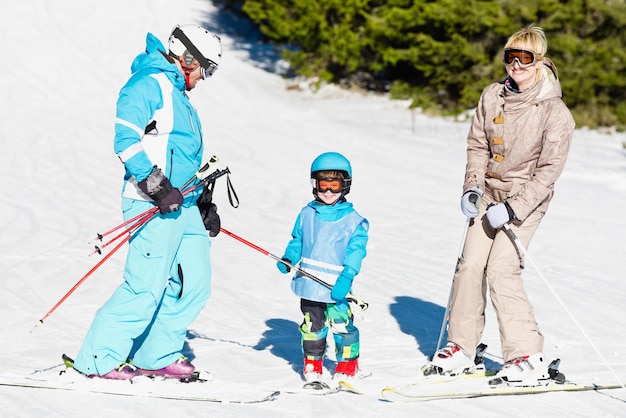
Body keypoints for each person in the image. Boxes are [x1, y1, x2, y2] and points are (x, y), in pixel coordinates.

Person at [425, 25, 575, 386]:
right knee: (470, 266)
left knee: (502, 269)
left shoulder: (555, 112)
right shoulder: (492, 96)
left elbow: (548, 173)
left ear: (538, 61)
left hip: (525, 200)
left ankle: (527, 355)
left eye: (524, 58)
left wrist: (512, 208)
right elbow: (478, 145)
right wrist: (472, 189)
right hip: (489, 195)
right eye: (510, 57)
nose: (516, 66)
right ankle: (461, 347)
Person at [72, 24, 223, 380]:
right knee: (145, 286)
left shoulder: (180, 97)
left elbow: (179, 155)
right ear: (188, 58)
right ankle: (98, 359)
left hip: (183, 207)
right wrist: (155, 185)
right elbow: (125, 138)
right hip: (151, 203)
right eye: (207, 68)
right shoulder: (148, 83)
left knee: (194, 283)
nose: (205, 78)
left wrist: (201, 201)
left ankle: (156, 354)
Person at [277, 152, 369, 383]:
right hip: (309, 287)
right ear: (314, 185)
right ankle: (313, 364)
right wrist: (290, 257)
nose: (328, 192)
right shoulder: (307, 214)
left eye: (334, 186)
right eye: (323, 185)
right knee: (312, 326)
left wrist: (347, 277)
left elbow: (356, 253)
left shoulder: (353, 221)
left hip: (335, 286)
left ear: (345, 186)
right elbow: (298, 239)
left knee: (341, 326)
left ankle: (348, 365)